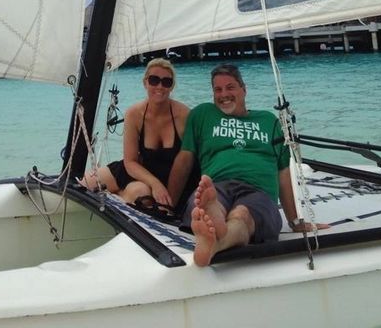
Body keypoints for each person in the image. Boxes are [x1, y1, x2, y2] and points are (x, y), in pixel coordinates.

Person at [167, 63, 327, 266]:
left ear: (244, 89)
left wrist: (295, 221)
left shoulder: (269, 121)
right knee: (215, 202)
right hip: (217, 186)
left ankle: (215, 239)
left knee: (242, 214)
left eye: (230, 87)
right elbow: (184, 159)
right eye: (217, 89)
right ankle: (214, 215)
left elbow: (283, 173)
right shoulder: (202, 115)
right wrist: (168, 206)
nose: (224, 94)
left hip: (258, 191)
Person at [81, 58, 190, 206]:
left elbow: (189, 161)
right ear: (145, 82)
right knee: (84, 185)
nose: (160, 86)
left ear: (172, 87)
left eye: (166, 82)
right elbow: (130, 161)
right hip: (136, 169)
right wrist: (155, 183)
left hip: (164, 178)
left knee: (138, 194)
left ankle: (120, 194)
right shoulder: (134, 113)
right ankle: (118, 192)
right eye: (154, 80)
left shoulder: (183, 115)